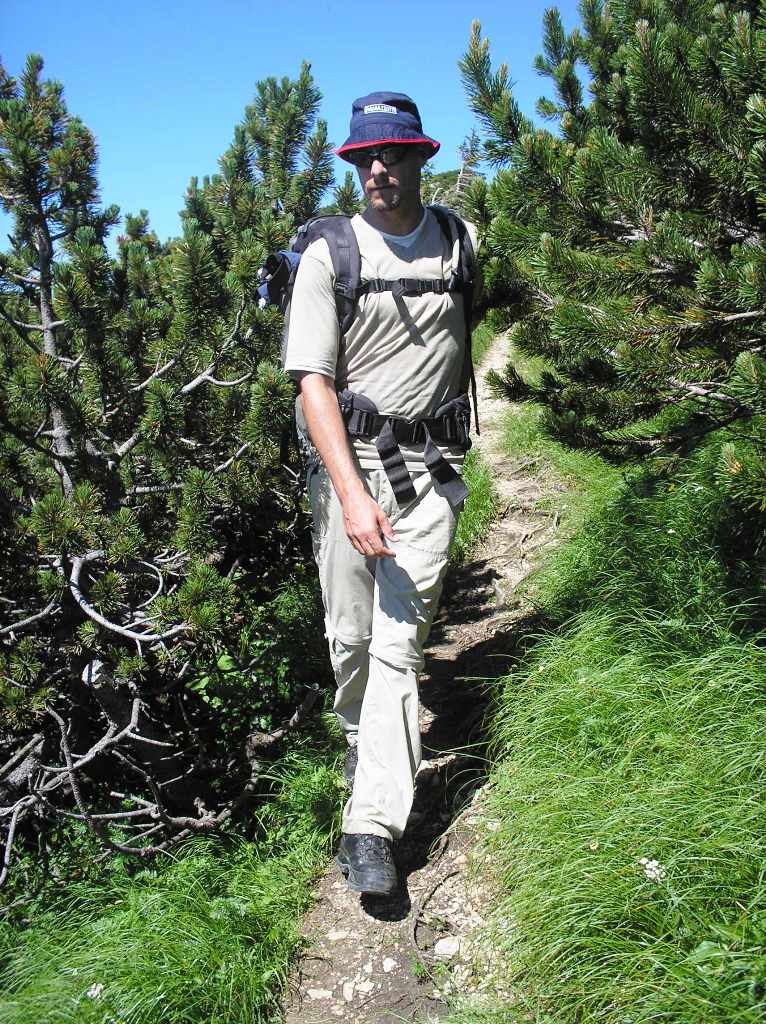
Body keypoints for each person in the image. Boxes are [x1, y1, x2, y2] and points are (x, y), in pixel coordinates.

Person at [283, 91, 478, 896]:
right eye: (364, 157)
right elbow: (313, 385)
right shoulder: (329, 257)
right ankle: (366, 752)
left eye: (392, 154)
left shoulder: (460, 242)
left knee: (398, 646)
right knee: (352, 643)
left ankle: (370, 827)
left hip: (431, 475)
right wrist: (352, 493)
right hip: (350, 471)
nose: (377, 170)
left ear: (421, 158)